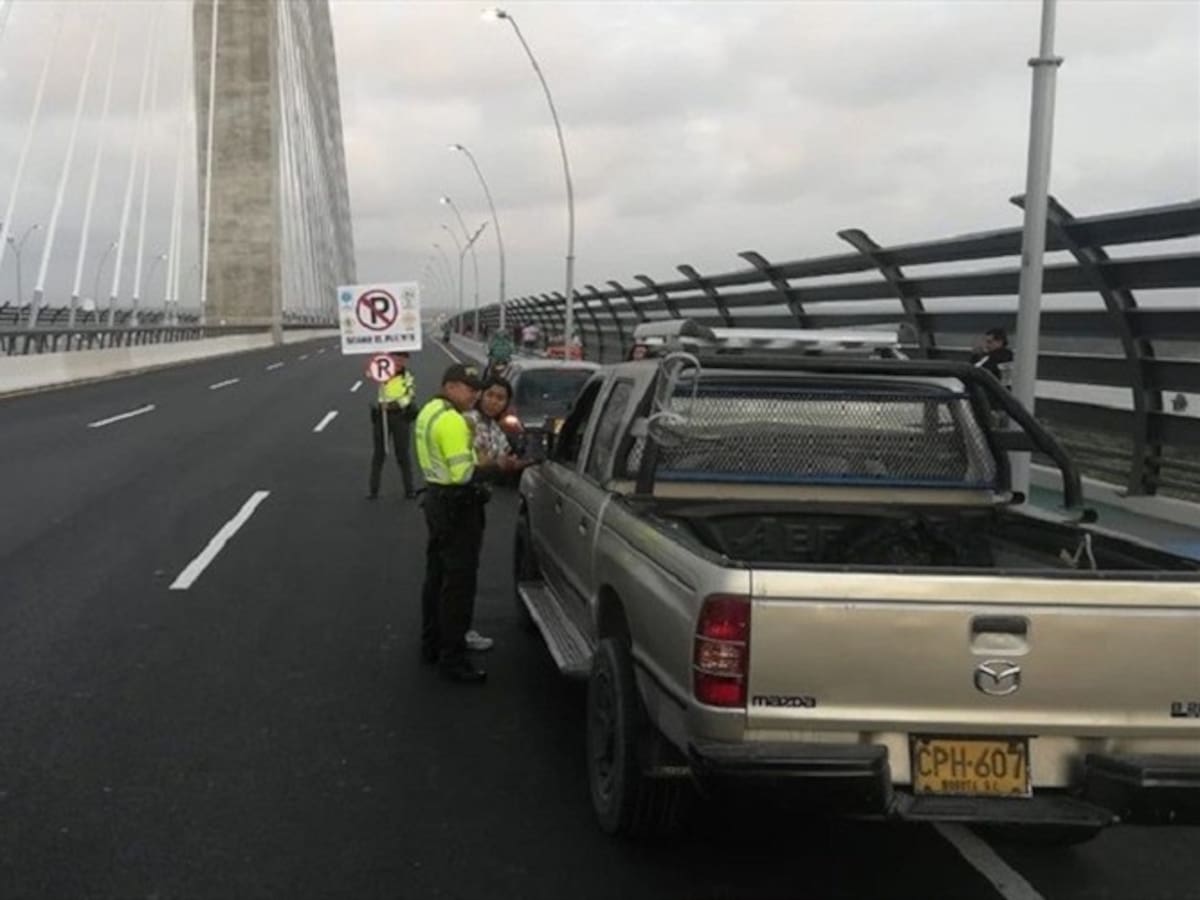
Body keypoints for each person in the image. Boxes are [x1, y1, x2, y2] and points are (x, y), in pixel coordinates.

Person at [414, 365, 519, 683]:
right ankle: (453, 658)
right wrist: (499, 466)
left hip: (435, 499)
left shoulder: (429, 411)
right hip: (458, 507)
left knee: (436, 577)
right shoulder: (453, 421)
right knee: (459, 585)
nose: (474, 394)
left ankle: (431, 644)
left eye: (477, 388)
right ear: (449, 387)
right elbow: (463, 474)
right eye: (468, 388)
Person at [462, 376, 532, 653]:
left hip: (473, 502)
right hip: (459, 502)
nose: (494, 401)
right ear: (480, 395)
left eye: (501, 398)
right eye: (490, 395)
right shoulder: (469, 421)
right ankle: (457, 634)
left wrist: (522, 462)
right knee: (460, 573)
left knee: (463, 570)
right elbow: (478, 461)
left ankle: (450, 630)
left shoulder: (493, 427)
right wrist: (501, 463)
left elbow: (505, 461)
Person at [367, 352, 417, 500]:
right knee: (379, 454)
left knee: (403, 454)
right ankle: (373, 491)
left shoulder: (407, 376)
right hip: (381, 417)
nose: (400, 362)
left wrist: (393, 404)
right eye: (397, 358)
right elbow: (369, 373)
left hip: (400, 416)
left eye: (403, 359)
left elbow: (410, 395)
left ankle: (410, 490)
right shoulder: (382, 372)